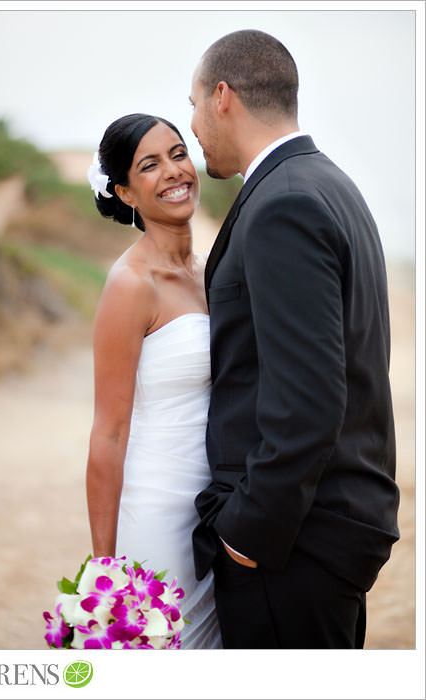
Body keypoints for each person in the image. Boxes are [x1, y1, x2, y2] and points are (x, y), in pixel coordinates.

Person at [188, 29, 400, 648]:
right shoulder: (330, 185)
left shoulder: (282, 203)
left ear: (222, 96)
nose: (194, 125)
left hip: (294, 542)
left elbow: (308, 399)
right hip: (326, 530)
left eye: (194, 102)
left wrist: (246, 535)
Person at [85, 113, 222, 648]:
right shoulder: (129, 284)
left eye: (178, 153)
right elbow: (109, 431)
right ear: (126, 192)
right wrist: (104, 568)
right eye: (149, 165)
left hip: (218, 509)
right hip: (159, 512)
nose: (173, 171)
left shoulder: (212, 270)